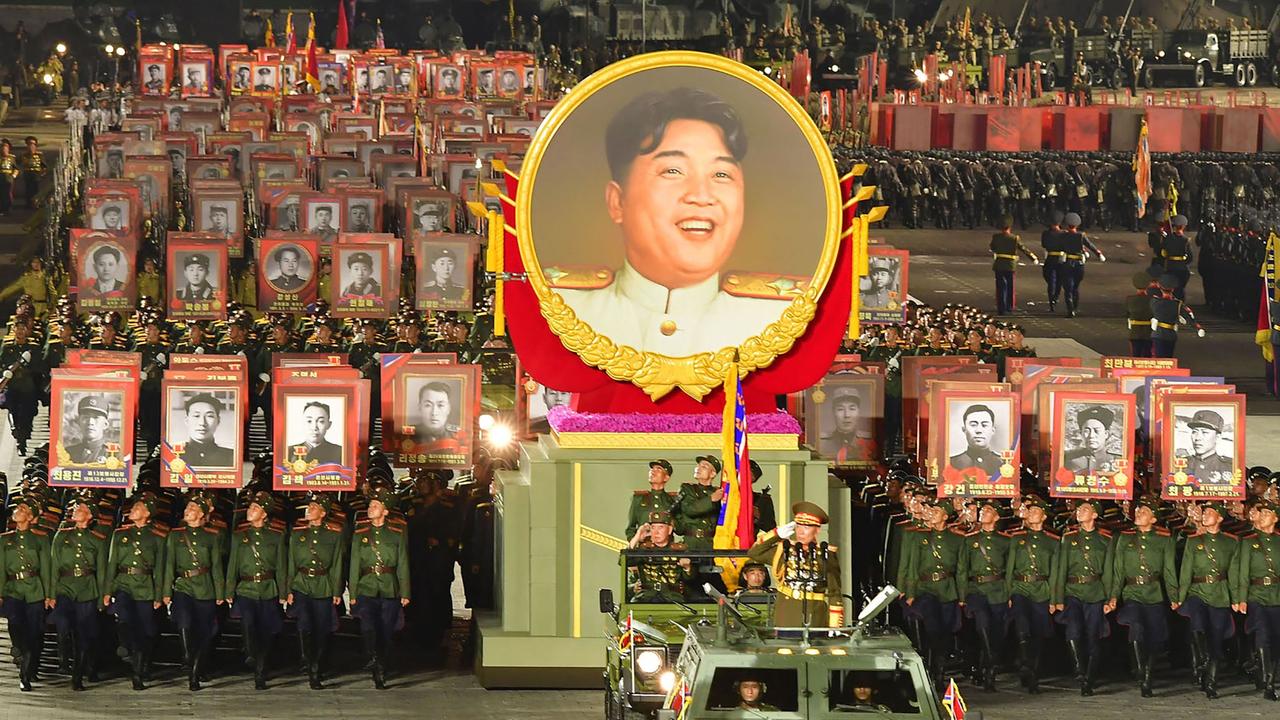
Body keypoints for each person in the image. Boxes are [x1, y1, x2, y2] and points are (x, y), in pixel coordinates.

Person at [556, 87, 791, 356]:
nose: (702, 196)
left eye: (721, 174)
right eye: (673, 171)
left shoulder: (778, 318)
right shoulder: (565, 307)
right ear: (617, 202)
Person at [1107, 495, 1177, 697]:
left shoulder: (1164, 538)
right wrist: (1113, 596)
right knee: (1136, 629)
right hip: (1131, 594)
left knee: (1154, 637)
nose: (1139, 514)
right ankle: (1142, 673)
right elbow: (1118, 571)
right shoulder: (1125, 537)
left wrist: (1174, 597)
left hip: (1154, 594)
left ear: (1154, 519)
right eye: (1138, 511)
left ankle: (1148, 669)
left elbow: (1169, 570)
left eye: (1144, 512)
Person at [1175, 501, 1239, 698]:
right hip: (1197, 591)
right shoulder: (1194, 541)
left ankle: (1211, 681)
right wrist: (1180, 597)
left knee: (1216, 639)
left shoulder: (1231, 542)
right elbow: (1186, 570)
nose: (1205, 516)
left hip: (1219, 593)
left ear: (1219, 518)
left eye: (1209, 513)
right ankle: (1202, 659)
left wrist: (1236, 598)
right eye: (1204, 513)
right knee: (1198, 626)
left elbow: (1235, 572)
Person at [349, 487, 411, 689]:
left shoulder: (396, 533)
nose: (370, 509)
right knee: (367, 626)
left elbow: (402, 563)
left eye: (375, 506)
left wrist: (405, 591)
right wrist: (353, 591)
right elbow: (354, 563)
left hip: (389, 587)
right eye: (370, 505)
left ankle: (381, 666)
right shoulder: (360, 533)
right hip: (367, 586)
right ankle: (373, 656)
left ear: (385, 511)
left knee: (386, 630)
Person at [104, 493, 167, 691]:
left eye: (138, 507)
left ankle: (139, 671)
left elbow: (160, 569)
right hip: (124, 584)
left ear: (148, 513)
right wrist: (108, 590)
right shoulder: (120, 534)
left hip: (146, 587)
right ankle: (126, 646)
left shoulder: (157, 537)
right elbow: (111, 563)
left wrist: (158, 595)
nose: (133, 510)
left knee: (145, 631)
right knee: (124, 618)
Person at [162, 494, 225, 691]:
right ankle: (188, 657)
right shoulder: (175, 535)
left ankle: (195, 673)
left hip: (205, 588)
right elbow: (169, 565)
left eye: (192, 508)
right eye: (187, 507)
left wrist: (220, 593)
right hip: (183, 586)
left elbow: (216, 566)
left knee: (205, 632)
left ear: (201, 514)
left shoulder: (212, 536)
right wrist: (166, 591)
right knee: (185, 623)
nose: (187, 510)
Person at [1051, 499, 1113, 696]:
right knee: (1073, 631)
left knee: (1093, 636)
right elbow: (1061, 569)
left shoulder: (1105, 539)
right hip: (1072, 591)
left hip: (1095, 592)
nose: (1080, 511)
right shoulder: (1069, 538)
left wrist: (1110, 598)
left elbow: (1109, 571)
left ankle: (1090, 676)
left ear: (1095, 515)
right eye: (1079, 509)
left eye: (1085, 509)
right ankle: (1079, 669)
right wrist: (1057, 598)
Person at [225, 491, 287, 690]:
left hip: (268, 589)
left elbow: (281, 566)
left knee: (266, 631)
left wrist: (284, 592)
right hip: (246, 588)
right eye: (250, 507)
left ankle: (261, 670)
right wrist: (229, 590)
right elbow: (233, 565)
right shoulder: (239, 536)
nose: (250, 511)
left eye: (255, 508)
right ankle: (251, 653)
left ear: (264, 514)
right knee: (248, 624)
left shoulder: (276, 536)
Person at [748, 501, 843, 627]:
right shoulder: (785, 550)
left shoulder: (825, 555)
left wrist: (835, 626)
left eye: (806, 527)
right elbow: (755, 553)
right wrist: (777, 534)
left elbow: (834, 591)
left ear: (817, 530)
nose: (801, 532)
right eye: (798, 526)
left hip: (814, 615)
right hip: (786, 612)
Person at [50, 491, 109, 691]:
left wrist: (102, 597)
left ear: (90, 516)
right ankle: (63, 661)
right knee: (64, 624)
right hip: (64, 587)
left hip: (87, 589)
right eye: (76, 508)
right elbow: (53, 566)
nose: (77, 510)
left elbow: (101, 571)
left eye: (82, 509)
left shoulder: (97, 539)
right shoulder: (62, 534)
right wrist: (50, 594)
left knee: (85, 635)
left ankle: (78, 674)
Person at [900, 497, 962, 687]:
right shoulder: (919, 536)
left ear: (945, 516)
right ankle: (935, 671)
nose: (932, 514)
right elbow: (911, 566)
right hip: (925, 589)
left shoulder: (957, 539)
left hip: (948, 589)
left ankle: (939, 668)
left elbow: (961, 569)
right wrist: (909, 592)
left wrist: (962, 596)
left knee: (944, 632)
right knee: (933, 629)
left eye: (936, 511)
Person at [286, 493, 346, 690]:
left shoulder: (334, 534)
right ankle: (307, 660)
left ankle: (317, 665)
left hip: (323, 585)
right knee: (304, 625)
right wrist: (289, 589)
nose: (308, 510)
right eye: (308, 506)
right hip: (302, 584)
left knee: (321, 629)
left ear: (323, 512)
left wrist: (337, 590)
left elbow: (337, 563)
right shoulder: (297, 532)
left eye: (313, 507)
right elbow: (291, 562)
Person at [956, 498, 1010, 691]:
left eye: (988, 511)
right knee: (983, 628)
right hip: (976, 590)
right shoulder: (969, 540)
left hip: (998, 590)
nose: (982, 513)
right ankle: (991, 671)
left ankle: (985, 666)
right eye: (982, 510)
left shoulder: (1005, 541)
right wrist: (963, 595)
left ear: (996, 517)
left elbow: (1009, 569)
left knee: (997, 633)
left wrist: (1010, 593)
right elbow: (963, 569)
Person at [1006, 494, 1058, 694]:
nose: (1031, 514)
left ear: (1044, 517)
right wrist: (1009, 592)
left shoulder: (1052, 541)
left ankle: (1032, 670)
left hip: (1041, 590)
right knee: (1022, 628)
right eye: (1030, 511)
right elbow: (1010, 567)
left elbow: (1055, 572)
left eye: (1036, 511)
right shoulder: (1018, 538)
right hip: (1020, 588)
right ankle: (1026, 664)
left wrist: (1054, 598)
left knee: (1038, 634)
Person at [0, 496, 52, 692]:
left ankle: (27, 673)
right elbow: (1, 569)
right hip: (13, 590)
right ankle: (20, 653)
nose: (17, 510)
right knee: (15, 626)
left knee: (34, 633)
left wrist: (49, 594)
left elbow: (46, 567)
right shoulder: (5, 539)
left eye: (22, 509)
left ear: (30, 517)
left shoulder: (40, 538)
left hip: (34, 590)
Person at [1234, 498, 1280, 700]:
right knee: (1262, 633)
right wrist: (1241, 597)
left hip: (1277, 594)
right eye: (1260, 514)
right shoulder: (1249, 540)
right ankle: (1268, 682)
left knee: (1276, 638)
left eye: (1267, 514)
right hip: (1257, 593)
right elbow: (1243, 572)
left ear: (1275, 518)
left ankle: (1268, 674)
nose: (1262, 517)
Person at [0, 317, 45, 454]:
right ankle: (16, 432)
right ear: (13, 330)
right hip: (12, 386)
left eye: (22, 329)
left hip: (28, 387)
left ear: (26, 331)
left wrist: (25, 368)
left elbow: (39, 367)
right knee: (13, 410)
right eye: (17, 328)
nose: (20, 331)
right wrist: (7, 372)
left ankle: (23, 440)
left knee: (28, 414)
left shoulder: (33, 348)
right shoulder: (7, 347)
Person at [625, 510, 691, 601]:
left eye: (660, 527)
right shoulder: (644, 549)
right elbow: (624, 562)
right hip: (646, 597)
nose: (656, 532)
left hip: (672, 598)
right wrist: (637, 536)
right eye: (653, 528)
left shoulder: (679, 550)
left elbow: (690, 579)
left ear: (670, 530)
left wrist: (687, 567)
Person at [1056, 212, 1105, 317]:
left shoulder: (1063, 236)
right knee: (1075, 287)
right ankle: (1075, 307)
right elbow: (1091, 245)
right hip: (1079, 263)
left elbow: (1059, 246)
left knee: (1068, 288)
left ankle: (1070, 310)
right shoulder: (1081, 236)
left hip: (1067, 263)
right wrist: (1098, 254)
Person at [990, 215, 1040, 315]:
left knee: (1000, 287)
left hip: (999, 264)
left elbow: (992, 248)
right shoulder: (1015, 238)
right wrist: (1033, 258)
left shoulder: (996, 237)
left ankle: (1001, 308)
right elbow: (1023, 249)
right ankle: (1009, 307)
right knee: (1010, 287)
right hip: (1010, 265)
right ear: (1010, 227)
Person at [674, 455, 723, 550]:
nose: (698, 468)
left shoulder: (718, 492)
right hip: (690, 542)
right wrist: (711, 499)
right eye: (698, 466)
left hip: (710, 543)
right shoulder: (687, 488)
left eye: (704, 467)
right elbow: (690, 510)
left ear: (712, 474)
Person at [180, 393, 235, 467]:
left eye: (209, 416)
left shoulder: (231, 456)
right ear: (187, 421)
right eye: (196, 416)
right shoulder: (173, 454)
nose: (202, 423)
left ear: (218, 421)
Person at [819, 387, 873, 462]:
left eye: (852, 409)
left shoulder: (870, 442)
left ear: (859, 412)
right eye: (840, 409)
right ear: (833, 412)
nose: (847, 415)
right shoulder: (821, 443)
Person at [626, 459, 678, 538]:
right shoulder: (639, 498)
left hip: (666, 548)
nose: (653, 471)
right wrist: (636, 540)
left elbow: (679, 528)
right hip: (643, 547)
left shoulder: (673, 500)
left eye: (658, 469)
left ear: (666, 477)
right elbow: (631, 528)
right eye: (652, 469)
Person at [948, 404, 1003, 477]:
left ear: (993, 430)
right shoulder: (951, 463)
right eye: (973, 425)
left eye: (984, 425)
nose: (979, 430)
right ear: (964, 429)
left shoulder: (1003, 464)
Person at [1179, 410, 1234, 483]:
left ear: (1217, 437)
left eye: (1204, 432)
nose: (1197, 438)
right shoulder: (1179, 465)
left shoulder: (1231, 467)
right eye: (1194, 432)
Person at [1064, 406, 1121, 474]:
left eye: (1096, 431)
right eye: (1087, 431)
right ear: (1081, 433)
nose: (1091, 435)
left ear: (1106, 434)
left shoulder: (1118, 460)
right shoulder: (1068, 459)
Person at [289, 400, 344, 467]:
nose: (314, 427)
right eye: (309, 421)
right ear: (302, 423)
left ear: (329, 425)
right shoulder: (289, 451)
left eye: (321, 421)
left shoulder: (341, 452)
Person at [65, 394, 112, 463]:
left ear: (105, 424)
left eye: (96, 417)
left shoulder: (114, 455)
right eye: (86, 417)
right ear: (78, 422)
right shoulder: (67, 453)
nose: (90, 422)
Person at [411, 381, 461, 446]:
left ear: (448, 409)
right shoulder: (407, 434)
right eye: (428, 405)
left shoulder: (460, 436)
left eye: (440, 405)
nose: (434, 413)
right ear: (420, 407)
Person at [1161, 215, 1193, 300]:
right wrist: (1183, 263)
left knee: (1171, 290)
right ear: (1183, 227)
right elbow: (1190, 257)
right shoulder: (1186, 240)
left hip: (1170, 267)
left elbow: (1163, 253)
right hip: (1182, 268)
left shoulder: (1168, 238)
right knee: (1180, 290)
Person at [0, 139, 18, 215]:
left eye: (6, 149)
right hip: (1, 177)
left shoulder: (12, 158)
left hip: (9, 178)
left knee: (8, 194)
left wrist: (13, 176)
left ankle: (9, 208)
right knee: (1, 194)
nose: (4, 150)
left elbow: (16, 169)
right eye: (3, 148)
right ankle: (2, 209)